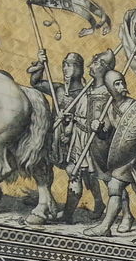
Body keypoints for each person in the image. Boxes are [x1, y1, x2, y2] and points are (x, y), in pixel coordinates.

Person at [83, 64, 136, 240]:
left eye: (122, 83)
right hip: (124, 155)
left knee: (117, 187)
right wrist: (98, 128)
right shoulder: (109, 108)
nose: (121, 87)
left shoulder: (133, 106)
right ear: (108, 88)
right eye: (116, 84)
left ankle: (105, 227)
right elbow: (107, 133)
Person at [28, 49, 104, 222]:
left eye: (70, 65)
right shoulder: (58, 89)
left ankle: (71, 213)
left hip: (75, 138)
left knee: (78, 173)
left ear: (79, 69)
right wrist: (40, 63)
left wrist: (70, 119)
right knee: (44, 165)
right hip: (55, 137)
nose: (65, 68)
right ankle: (46, 199)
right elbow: (35, 82)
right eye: (64, 64)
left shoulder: (86, 93)